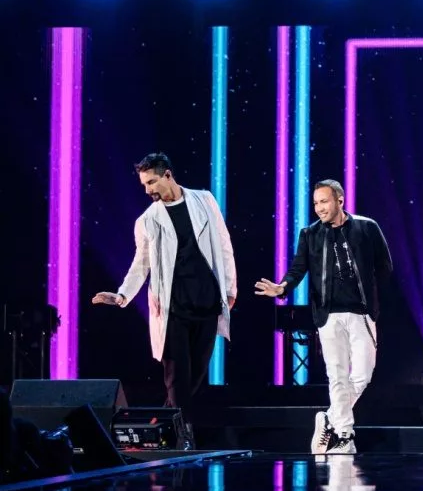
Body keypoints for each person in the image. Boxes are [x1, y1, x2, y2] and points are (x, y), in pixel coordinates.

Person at [92, 153, 236, 436]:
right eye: (144, 184)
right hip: (173, 306)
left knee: (196, 372)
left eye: (152, 182)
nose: (148, 190)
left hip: (206, 300)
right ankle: (183, 434)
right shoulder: (147, 220)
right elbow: (141, 263)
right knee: (176, 375)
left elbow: (223, 243)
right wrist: (122, 295)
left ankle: (165, 421)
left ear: (168, 175)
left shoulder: (204, 200)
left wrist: (230, 287)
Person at [255, 179, 393, 454]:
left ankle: (329, 417)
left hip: (361, 313)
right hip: (328, 316)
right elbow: (298, 269)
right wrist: (282, 287)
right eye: (316, 203)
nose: (319, 208)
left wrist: (372, 297)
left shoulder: (367, 227)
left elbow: (384, 266)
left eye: (324, 201)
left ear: (339, 200)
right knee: (337, 376)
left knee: (363, 375)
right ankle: (344, 435)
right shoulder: (310, 234)